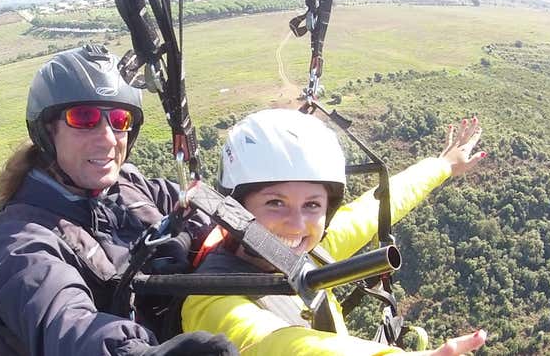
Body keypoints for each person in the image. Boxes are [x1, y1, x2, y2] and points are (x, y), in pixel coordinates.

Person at [0, 44, 236, 356]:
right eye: (84, 118)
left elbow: (199, 207)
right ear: (47, 130)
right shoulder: (21, 241)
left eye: (120, 119)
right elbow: (66, 325)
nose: (108, 137)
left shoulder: (131, 186)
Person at [181, 108, 489, 355]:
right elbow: (281, 346)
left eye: (313, 205)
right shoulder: (211, 300)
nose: (298, 224)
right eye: (275, 202)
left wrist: (442, 165)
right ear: (237, 207)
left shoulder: (310, 250)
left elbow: (377, 206)